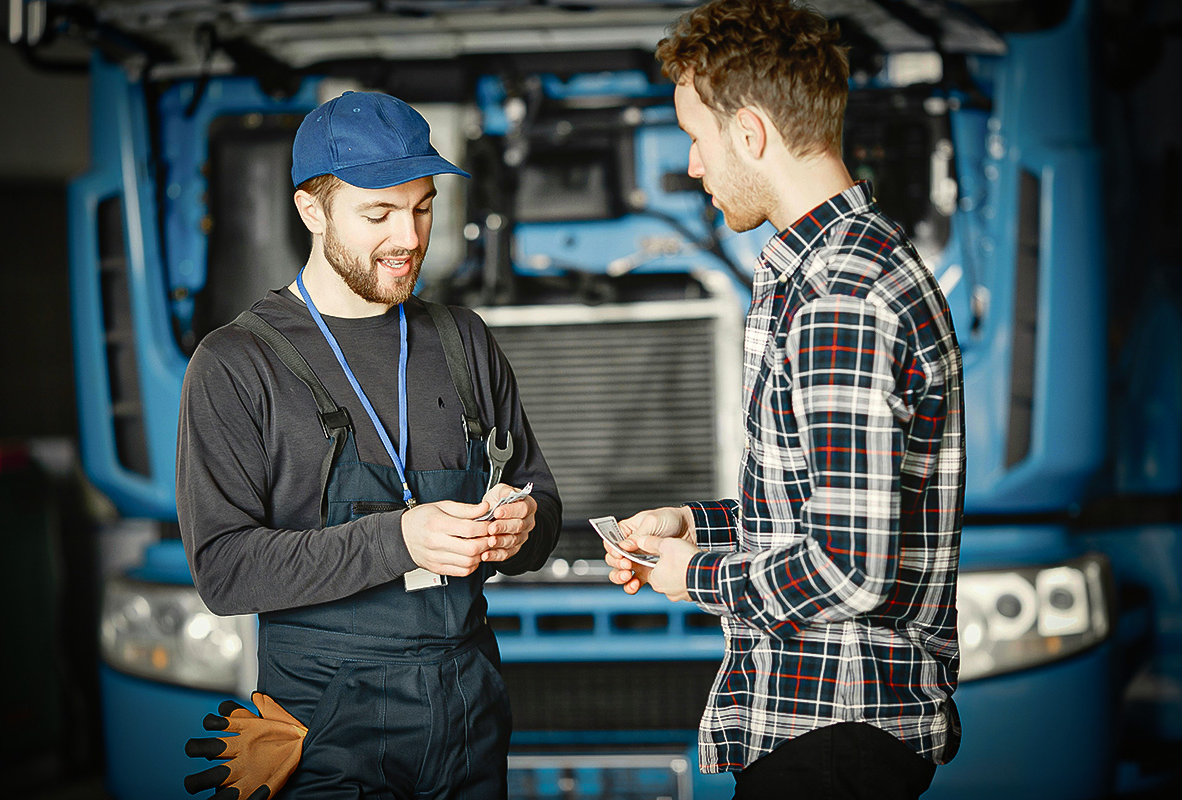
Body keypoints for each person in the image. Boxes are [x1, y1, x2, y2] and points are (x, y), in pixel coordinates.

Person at [604, 1, 965, 798]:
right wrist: (692, 524)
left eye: (697, 139)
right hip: (822, 725)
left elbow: (849, 567)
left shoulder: (841, 297)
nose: (693, 167)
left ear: (750, 133)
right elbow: (826, 510)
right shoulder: (837, 273)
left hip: (834, 732)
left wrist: (691, 574)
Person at [177, 90, 561, 799]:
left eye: (422, 206)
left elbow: (541, 498)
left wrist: (525, 527)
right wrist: (402, 540)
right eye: (378, 214)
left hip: (470, 705)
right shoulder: (236, 364)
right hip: (326, 724)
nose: (409, 237)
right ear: (311, 211)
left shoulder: (464, 340)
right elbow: (223, 570)